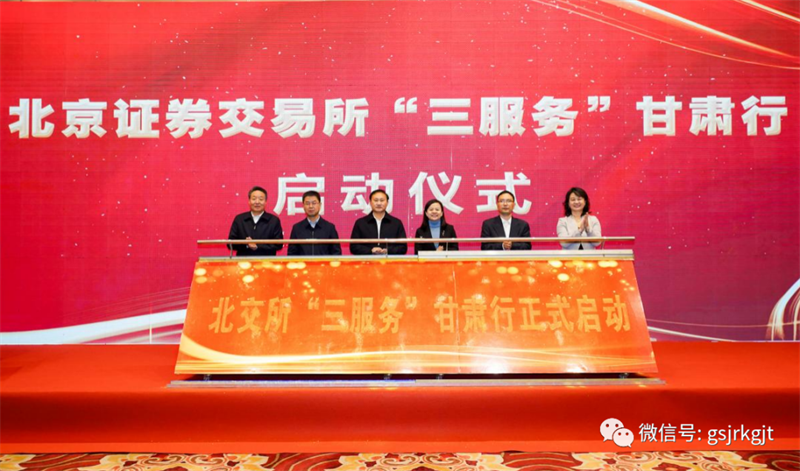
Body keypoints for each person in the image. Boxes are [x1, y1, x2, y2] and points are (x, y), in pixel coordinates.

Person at [228, 186, 283, 256]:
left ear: (266, 202)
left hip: (267, 260)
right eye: (254, 199)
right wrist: (246, 244)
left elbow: (278, 244)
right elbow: (230, 243)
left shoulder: (274, 220)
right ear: (249, 201)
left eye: (261, 199)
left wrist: (257, 246)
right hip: (243, 261)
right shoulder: (239, 219)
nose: (257, 202)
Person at [350, 189, 408, 255]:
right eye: (376, 200)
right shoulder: (361, 223)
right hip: (367, 260)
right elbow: (354, 246)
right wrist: (370, 250)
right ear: (370, 202)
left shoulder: (396, 223)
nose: (379, 203)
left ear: (387, 203)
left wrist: (387, 251)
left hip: (389, 260)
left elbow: (403, 247)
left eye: (382, 200)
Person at [287, 191, 342, 256]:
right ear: (303, 206)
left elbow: (336, 253)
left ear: (320, 205)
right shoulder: (297, 228)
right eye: (307, 203)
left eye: (314, 203)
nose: (311, 206)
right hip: (303, 263)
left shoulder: (329, 228)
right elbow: (291, 254)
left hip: (324, 263)